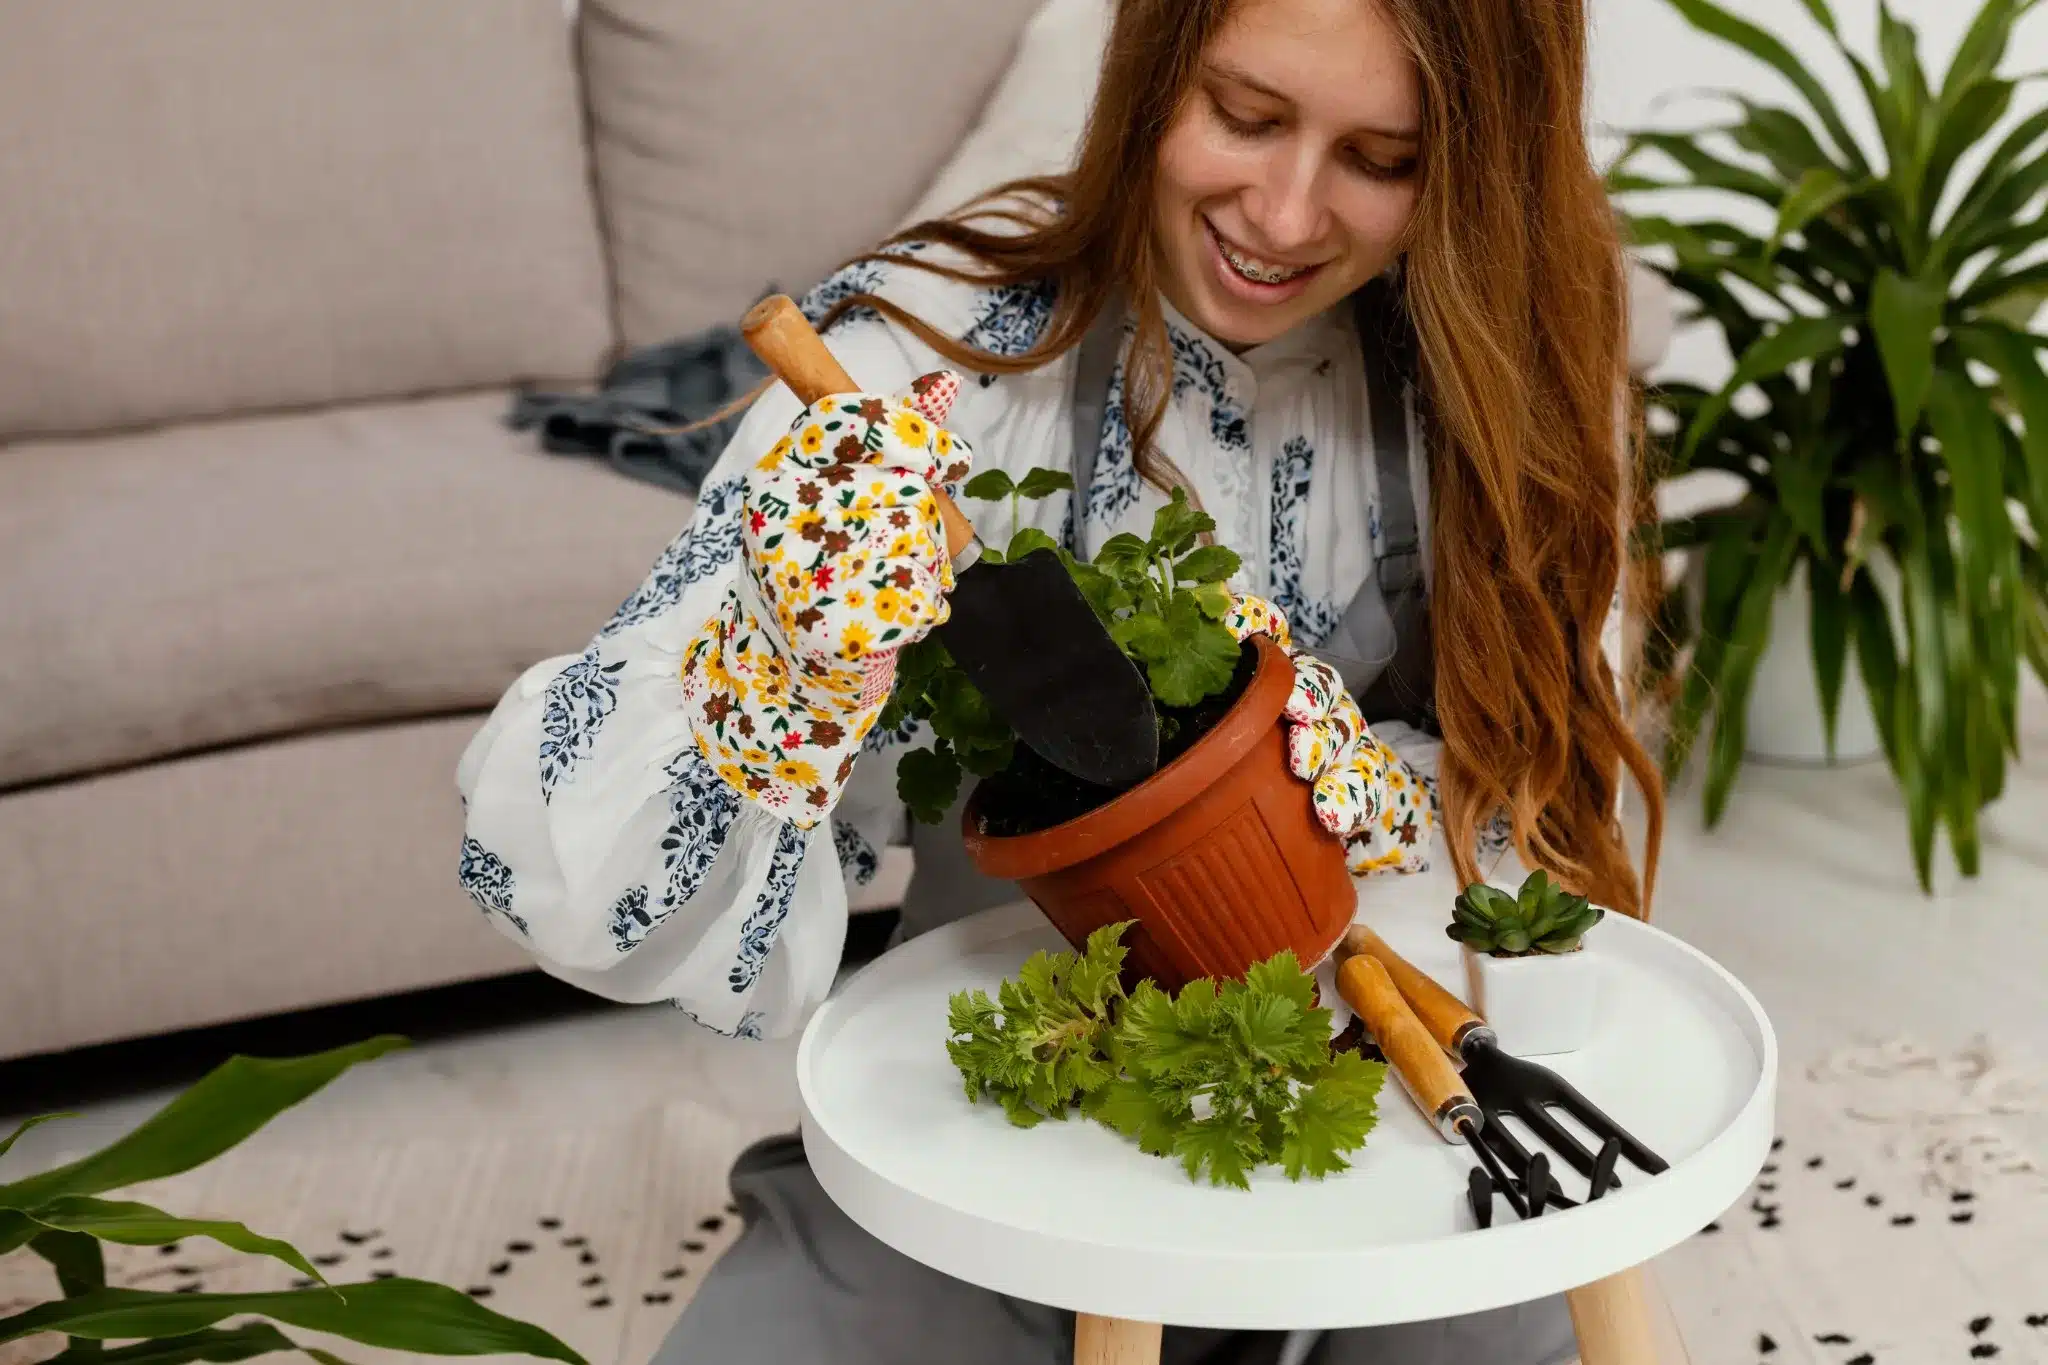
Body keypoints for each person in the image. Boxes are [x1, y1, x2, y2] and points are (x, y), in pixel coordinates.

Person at [457, 0, 1665, 1357]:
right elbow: (577, 896)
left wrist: (1377, 802)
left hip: (1390, 1140)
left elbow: (1547, 852)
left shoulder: (1511, 386)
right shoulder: (920, 362)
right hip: (996, 1142)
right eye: (1246, 118)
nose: (1281, 214)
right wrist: (789, 654)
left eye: (1379, 160)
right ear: (1151, 75)